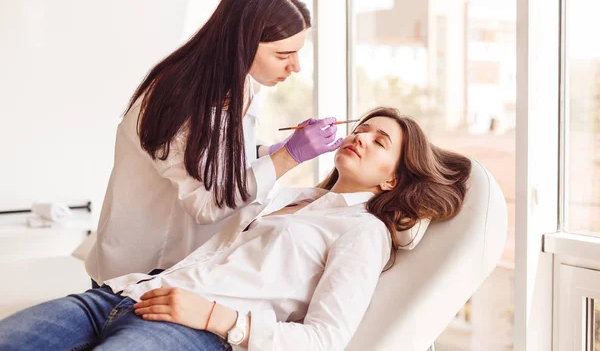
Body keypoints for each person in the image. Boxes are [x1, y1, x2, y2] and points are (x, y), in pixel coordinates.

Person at [0, 107, 472, 351]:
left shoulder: (364, 232)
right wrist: (283, 153)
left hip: (190, 330)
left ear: (392, 178)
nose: (359, 136)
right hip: (123, 294)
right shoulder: (292, 197)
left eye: (378, 139)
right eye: (361, 128)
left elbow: (324, 340)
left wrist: (216, 319)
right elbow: (217, 198)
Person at [85, 0, 343, 286]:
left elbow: (219, 152)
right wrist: (288, 157)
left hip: (190, 267)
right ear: (242, 44)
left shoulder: (243, 82)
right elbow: (206, 204)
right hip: (141, 269)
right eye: (283, 55)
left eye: (297, 53)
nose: (295, 67)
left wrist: (266, 152)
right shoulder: (174, 101)